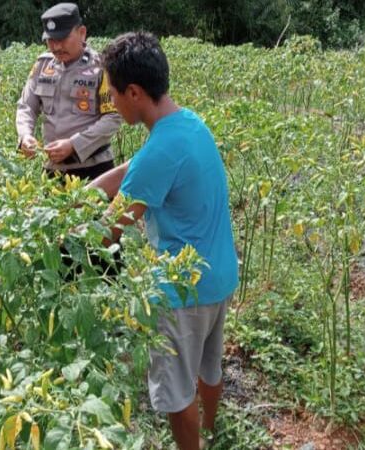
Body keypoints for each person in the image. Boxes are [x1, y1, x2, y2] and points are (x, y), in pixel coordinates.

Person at [89, 32, 239, 450]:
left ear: (134, 92)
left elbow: (108, 231)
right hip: (219, 276)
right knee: (209, 367)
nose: (113, 104)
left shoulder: (160, 151)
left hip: (182, 294)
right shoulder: (188, 124)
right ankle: (212, 432)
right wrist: (77, 195)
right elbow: (131, 170)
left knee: (176, 393)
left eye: (114, 95)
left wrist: (68, 234)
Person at [16, 2, 122, 180]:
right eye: (51, 40)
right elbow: (26, 106)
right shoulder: (42, 66)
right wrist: (25, 136)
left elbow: (113, 118)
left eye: (62, 39)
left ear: (82, 33)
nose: (56, 47)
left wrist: (74, 144)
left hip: (94, 169)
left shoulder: (101, 67)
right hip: (52, 171)